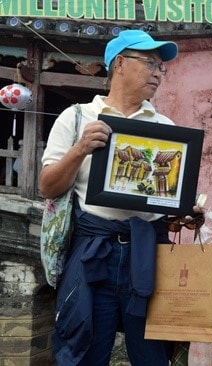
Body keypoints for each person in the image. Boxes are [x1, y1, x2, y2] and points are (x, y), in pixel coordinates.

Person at [40, 30, 179, 366]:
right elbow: (47, 187)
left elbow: (166, 198)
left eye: (162, 68)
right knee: (84, 350)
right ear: (119, 63)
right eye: (150, 64)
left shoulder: (164, 126)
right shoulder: (76, 118)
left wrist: (185, 210)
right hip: (92, 252)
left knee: (153, 356)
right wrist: (80, 149)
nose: (158, 74)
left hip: (146, 254)